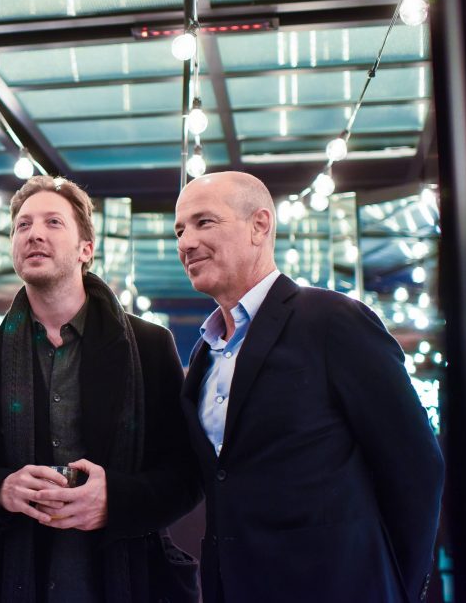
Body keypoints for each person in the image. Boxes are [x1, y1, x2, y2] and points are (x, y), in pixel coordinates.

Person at [172, 171, 445, 603]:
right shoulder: (204, 354)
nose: (186, 242)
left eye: (204, 222)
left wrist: (397, 587)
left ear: (260, 225)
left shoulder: (333, 320)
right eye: (180, 229)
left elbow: (417, 468)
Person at [0, 175, 202, 603]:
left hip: (131, 581)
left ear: (86, 250)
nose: (34, 233)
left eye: (53, 223)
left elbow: (187, 477)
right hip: (13, 582)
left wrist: (113, 500)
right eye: (22, 225)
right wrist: (0, 490)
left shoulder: (150, 347)